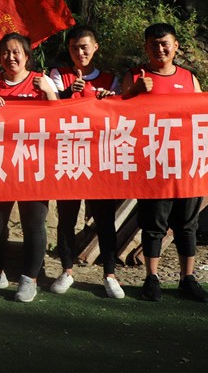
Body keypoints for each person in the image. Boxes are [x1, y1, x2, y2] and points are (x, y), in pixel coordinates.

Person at [121, 22, 208, 303]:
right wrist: (134, 91)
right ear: (146, 47)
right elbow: (117, 114)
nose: (160, 49)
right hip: (153, 162)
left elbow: (206, 113)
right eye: (154, 44)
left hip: (186, 163)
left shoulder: (189, 78)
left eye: (164, 44)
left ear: (175, 46)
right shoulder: (136, 75)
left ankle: (188, 278)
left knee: (187, 223)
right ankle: (152, 278)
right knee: (153, 223)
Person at [0, 33, 58, 302]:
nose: (10, 57)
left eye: (16, 52)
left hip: (33, 163)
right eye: (5, 53)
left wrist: (48, 94)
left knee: (33, 222)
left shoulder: (40, 81)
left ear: (26, 56)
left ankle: (29, 278)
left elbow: (60, 118)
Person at [47, 25, 124, 300]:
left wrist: (110, 100)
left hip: (99, 158)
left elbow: (121, 114)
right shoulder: (58, 75)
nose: (79, 53)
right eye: (73, 48)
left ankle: (110, 274)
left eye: (84, 47)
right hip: (69, 155)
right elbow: (50, 109)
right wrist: (69, 93)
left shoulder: (110, 79)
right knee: (67, 217)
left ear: (95, 48)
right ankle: (66, 270)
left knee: (104, 218)